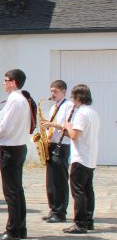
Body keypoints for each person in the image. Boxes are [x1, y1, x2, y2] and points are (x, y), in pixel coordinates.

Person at [0, 69, 32, 240]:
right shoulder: (22, 100)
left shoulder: (14, 100)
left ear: (13, 82)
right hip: (18, 146)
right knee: (16, 190)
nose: (4, 83)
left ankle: (13, 230)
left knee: (11, 192)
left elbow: (5, 126)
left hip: (10, 148)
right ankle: (20, 228)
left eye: (6, 80)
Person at [62, 84, 100, 234]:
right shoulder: (93, 112)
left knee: (78, 191)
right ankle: (89, 220)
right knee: (88, 190)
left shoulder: (81, 113)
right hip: (90, 156)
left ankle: (80, 223)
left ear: (77, 98)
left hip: (80, 157)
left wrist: (67, 126)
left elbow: (75, 135)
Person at [39, 80, 74, 223]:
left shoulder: (68, 106)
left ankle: (60, 212)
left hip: (62, 145)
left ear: (64, 91)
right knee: (51, 180)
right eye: (51, 91)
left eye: (55, 91)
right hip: (51, 144)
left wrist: (52, 124)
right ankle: (53, 208)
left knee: (60, 181)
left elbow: (68, 126)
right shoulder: (54, 106)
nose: (52, 94)